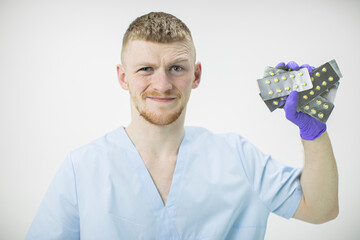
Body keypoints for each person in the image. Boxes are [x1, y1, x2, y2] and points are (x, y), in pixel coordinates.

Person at [26, 12, 339, 240]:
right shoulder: (82, 169)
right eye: (145, 69)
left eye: (176, 68)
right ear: (124, 77)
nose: (162, 84)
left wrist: (314, 133)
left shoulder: (238, 157)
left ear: (196, 75)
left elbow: (321, 208)